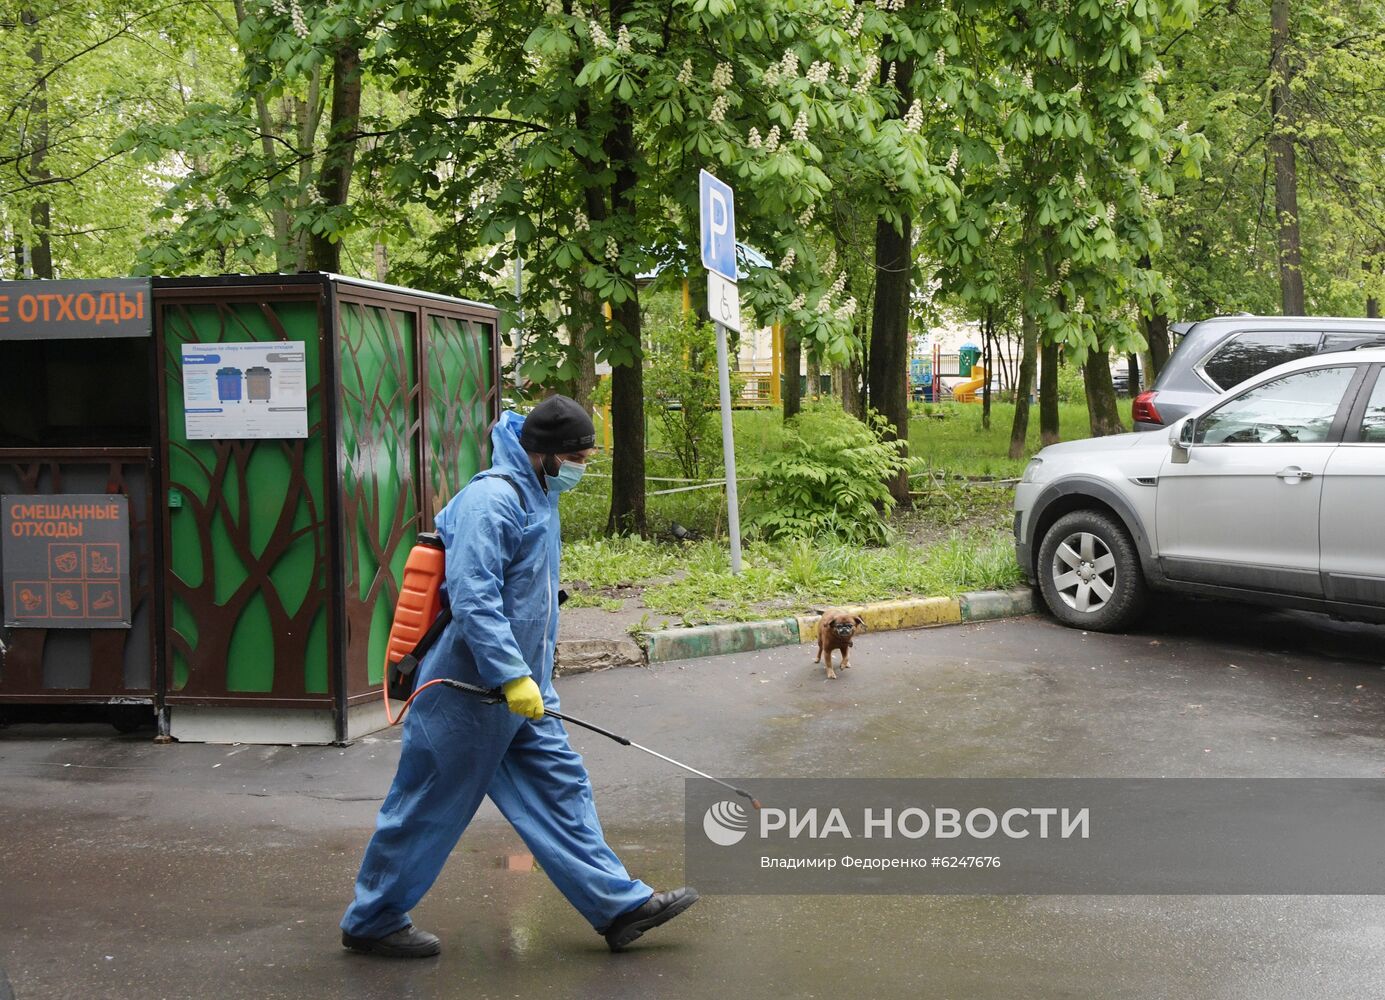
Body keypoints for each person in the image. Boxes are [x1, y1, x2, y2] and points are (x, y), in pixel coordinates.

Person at [340, 395, 698, 958]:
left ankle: (617, 906)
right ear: (548, 456)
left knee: (561, 791)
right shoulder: (491, 500)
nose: (584, 465)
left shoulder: (538, 494)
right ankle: (372, 919)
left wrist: (529, 680)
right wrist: (510, 675)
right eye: (579, 456)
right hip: (466, 692)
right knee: (428, 806)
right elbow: (475, 598)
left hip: (522, 692)